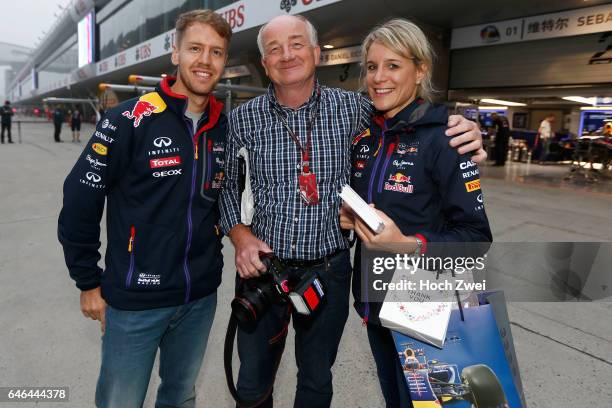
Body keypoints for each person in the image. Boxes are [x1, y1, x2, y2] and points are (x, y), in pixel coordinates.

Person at [219, 14, 486, 408]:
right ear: (264, 63)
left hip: (337, 272)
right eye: (274, 49)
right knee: (253, 382)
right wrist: (240, 236)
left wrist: (464, 127)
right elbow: (225, 188)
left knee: (317, 380)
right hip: (266, 272)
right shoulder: (242, 118)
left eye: (296, 44)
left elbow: (416, 118)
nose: (286, 55)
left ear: (315, 53)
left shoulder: (355, 110)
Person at [58, 10, 231, 408]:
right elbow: (80, 200)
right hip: (135, 300)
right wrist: (87, 280)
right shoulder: (128, 119)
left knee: (180, 396)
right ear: (175, 53)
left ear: (224, 60)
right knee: (121, 402)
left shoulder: (225, 126)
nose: (205, 60)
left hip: (200, 297)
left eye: (216, 52)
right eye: (195, 48)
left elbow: (222, 202)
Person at [340, 19, 493, 407]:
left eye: (393, 65)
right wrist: (350, 219)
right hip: (374, 300)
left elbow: (476, 239)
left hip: (425, 302)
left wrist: (408, 245)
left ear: (420, 69)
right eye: (372, 67)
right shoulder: (367, 136)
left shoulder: (448, 138)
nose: (379, 77)